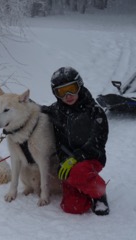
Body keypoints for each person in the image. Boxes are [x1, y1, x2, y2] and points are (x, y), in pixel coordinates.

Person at [42, 66, 110, 216]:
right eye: (61, 91)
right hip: (68, 161)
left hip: (91, 158)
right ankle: (83, 185)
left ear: (79, 85)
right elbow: (37, 110)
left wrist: (76, 158)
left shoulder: (95, 111)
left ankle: (99, 194)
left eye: (71, 88)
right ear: (56, 94)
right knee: (72, 207)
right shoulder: (57, 111)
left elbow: (97, 143)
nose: (68, 95)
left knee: (78, 172)